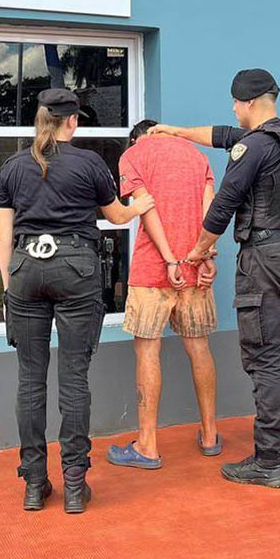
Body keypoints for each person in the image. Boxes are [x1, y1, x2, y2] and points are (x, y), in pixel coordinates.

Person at [150, 68, 280, 488]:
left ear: (251, 102)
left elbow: (224, 204)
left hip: (266, 259)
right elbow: (225, 136)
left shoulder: (256, 145)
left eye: (236, 102)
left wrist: (200, 250)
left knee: (265, 358)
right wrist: (176, 131)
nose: (233, 108)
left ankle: (269, 461)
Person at [0, 89, 154, 514]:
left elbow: (4, 236)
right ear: (72, 121)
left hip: (26, 268)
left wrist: (10, 287)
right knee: (74, 380)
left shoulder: (13, 167)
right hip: (76, 267)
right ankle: (76, 485)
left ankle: (34, 484)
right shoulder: (89, 163)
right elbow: (116, 216)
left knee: (30, 381)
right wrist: (140, 204)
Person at [106, 119, 220, 470]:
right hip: (195, 266)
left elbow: (146, 208)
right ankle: (211, 435)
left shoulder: (133, 155)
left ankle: (147, 445)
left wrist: (169, 259)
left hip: (153, 269)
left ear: (136, 138)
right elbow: (210, 210)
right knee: (199, 347)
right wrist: (205, 255)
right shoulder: (196, 155)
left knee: (147, 350)